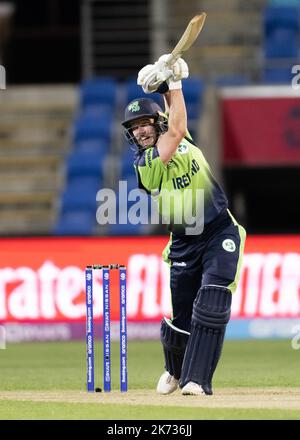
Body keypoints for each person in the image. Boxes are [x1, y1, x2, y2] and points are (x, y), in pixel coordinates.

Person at [122, 55, 246, 396]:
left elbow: (176, 122)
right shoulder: (145, 163)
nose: (141, 130)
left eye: (146, 122)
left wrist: (167, 83)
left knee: (211, 302)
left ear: (156, 122)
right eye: (134, 127)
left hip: (220, 231)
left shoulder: (182, 136)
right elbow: (173, 130)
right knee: (181, 321)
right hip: (183, 243)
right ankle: (176, 371)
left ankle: (197, 380)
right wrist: (172, 84)